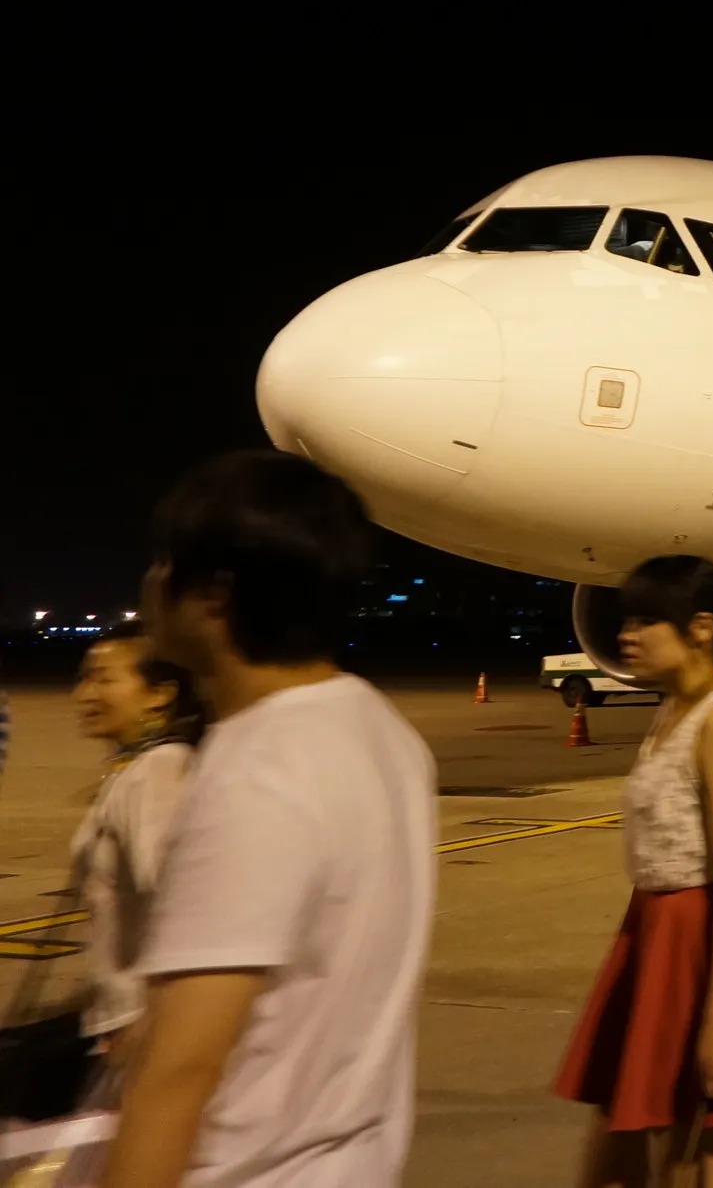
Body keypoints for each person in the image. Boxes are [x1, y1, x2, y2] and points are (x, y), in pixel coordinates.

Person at [104, 449, 435, 1188]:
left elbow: (182, 1069)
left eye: (165, 562)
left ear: (214, 592)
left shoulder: (257, 770)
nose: (150, 582)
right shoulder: (383, 732)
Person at [555, 555, 713, 1185]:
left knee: (696, 1148)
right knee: (631, 1127)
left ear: (699, 628)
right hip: (656, 927)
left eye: (643, 621)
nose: (625, 636)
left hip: (706, 933)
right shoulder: (675, 711)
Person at [70, 629, 206, 1061]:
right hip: (128, 1022)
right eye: (85, 679)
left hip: (144, 1028)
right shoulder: (136, 769)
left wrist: (150, 1026)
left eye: (104, 679)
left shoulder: (157, 772)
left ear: (159, 695)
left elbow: (181, 907)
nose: (85, 693)